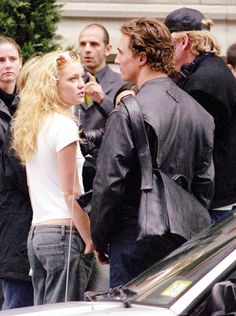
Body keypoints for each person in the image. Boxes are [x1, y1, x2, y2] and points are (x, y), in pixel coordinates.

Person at [90, 18, 214, 288]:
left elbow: (109, 182)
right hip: (184, 236)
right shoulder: (200, 113)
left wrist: (98, 237)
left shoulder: (128, 111)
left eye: (121, 53)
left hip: (133, 235)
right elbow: (204, 184)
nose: (117, 60)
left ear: (142, 57)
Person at [11, 50, 94, 305]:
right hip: (64, 232)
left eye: (82, 77)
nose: (81, 84)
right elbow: (71, 193)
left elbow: (32, 185)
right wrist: (90, 238)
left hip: (38, 233)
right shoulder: (63, 125)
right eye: (72, 79)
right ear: (52, 85)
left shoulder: (34, 125)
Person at [164, 7, 236, 222]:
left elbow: (189, 148)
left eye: (168, 44)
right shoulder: (211, 70)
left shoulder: (202, 84)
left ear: (183, 42)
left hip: (215, 202)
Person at [0, 35, 33, 309]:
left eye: (12, 59)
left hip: (22, 214)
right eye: (0, 60)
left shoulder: (27, 106)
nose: (7, 65)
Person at [74, 23, 125, 192]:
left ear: (107, 48)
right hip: (73, 167)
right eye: (83, 44)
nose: (87, 49)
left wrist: (103, 100)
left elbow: (129, 123)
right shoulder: (67, 82)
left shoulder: (123, 82)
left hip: (107, 171)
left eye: (94, 44)